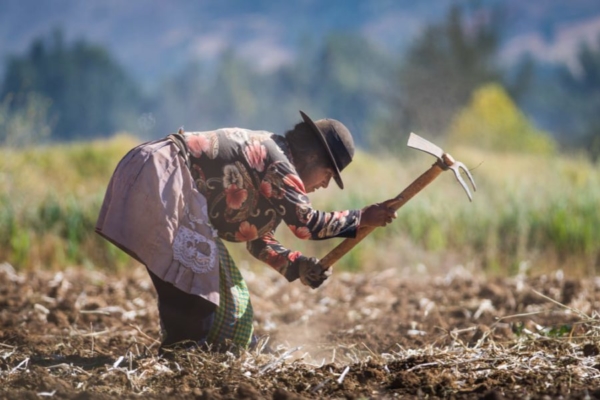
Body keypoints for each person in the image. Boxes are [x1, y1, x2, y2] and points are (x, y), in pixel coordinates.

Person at [95, 110, 397, 353]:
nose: (325, 184)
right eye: (328, 174)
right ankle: (179, 363)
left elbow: (257, 239)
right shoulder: (279, 163)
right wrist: (363, 217)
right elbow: (307, 225)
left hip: (154, 172)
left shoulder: (273, 162)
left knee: (210, 293)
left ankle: (185, 358)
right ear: (311, 157)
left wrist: (298, 265)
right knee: (194, 291)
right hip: (162, 175)